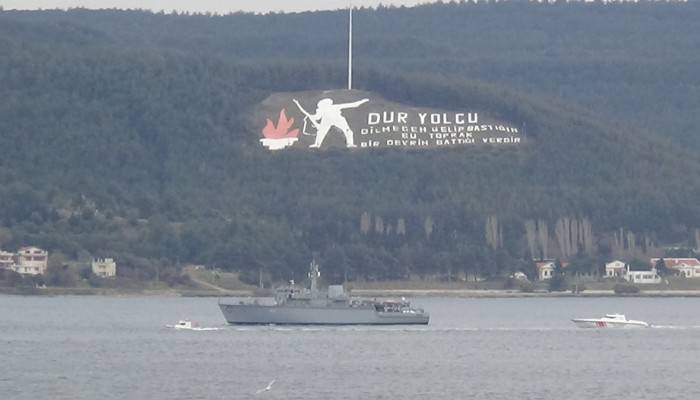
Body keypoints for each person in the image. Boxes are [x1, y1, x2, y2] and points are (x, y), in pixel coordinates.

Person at [293, 97, 369, 148]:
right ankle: (317, 144)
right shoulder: (321, 110)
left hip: (338, 119)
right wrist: (299, 106)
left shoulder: (334, 107)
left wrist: (362, 101)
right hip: (327, 121)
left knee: (348, 131)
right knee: (321, 133)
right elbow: (315, 117)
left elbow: (352, 105)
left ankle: (350, 144)